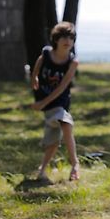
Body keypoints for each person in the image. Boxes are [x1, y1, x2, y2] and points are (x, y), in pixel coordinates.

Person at [30, 21, 80, 182]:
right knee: (53, 141)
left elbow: (63, 86)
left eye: (71, 38)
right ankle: (42, 170)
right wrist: (34, 78)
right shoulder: (47, 54)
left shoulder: (72, 62)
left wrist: (42, 103)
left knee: (66, 124)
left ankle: (75, 164)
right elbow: (38, 64)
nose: (68, 41)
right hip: (46, 101)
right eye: (64, 37)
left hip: (60, 101)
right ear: (56, 39)